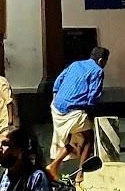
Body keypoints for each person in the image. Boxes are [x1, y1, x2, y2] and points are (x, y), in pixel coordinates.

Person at [47, 46, 109, 179]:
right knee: (89, 138)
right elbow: (93, 96)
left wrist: (55, 99)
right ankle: (81, 174)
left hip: (57, 108)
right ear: (101, 60)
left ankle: (53, 166)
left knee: (74, 138)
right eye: (105, 62)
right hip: (74, 111)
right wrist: (89, 112)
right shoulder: (97, 70)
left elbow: (58, 81)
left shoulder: (75, 64)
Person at [0, 68, 19, 141]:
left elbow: (8, 101)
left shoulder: (0, 81)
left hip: (6, 123)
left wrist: (10, 121)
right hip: (2, 123)